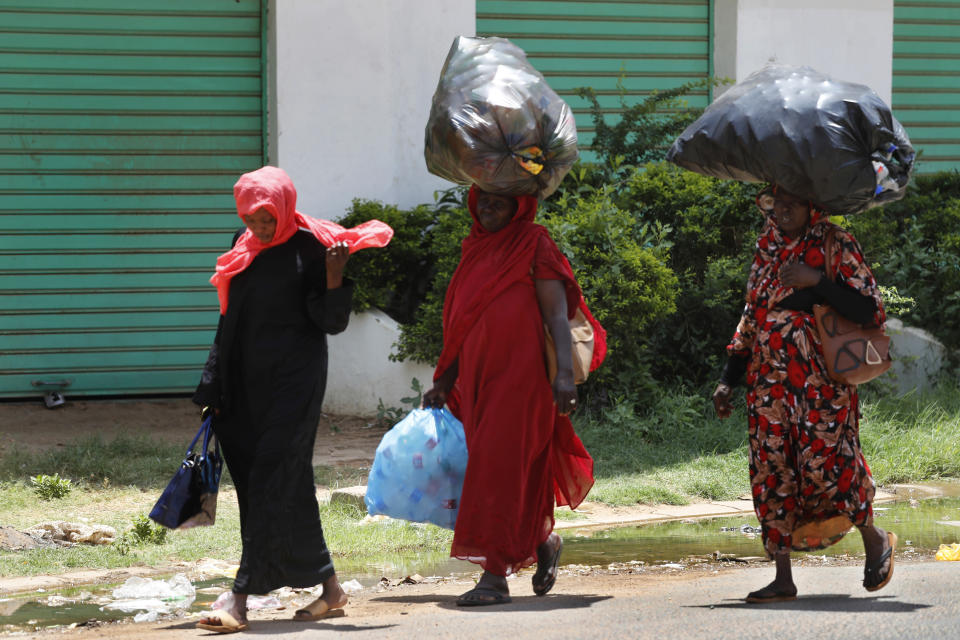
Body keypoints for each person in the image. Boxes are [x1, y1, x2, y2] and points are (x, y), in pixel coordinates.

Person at [192, 166, 388, 632]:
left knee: (269, 478)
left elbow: (331, 322)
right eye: (252, 218)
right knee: (286, 485)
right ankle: (331, 588)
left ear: (284, 206)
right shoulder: (244, 247)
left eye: (266, 218)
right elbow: (229, 321)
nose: (260, 228)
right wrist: (213, 386)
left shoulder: (313, 248)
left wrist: (335, 275)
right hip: (243, 387)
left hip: (294, 385)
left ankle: (239, 596)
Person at [712, 187, 897, 603]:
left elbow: (869, 310)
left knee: (828, 461)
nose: (782, 210)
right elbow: (751, 313)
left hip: (819, 386)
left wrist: (816, 281)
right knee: (772, 470)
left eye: (792, 201)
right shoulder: (767, 248)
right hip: (768, 386)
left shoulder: (835, 243)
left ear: (814, 203)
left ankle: (875, 538)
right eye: (776, 202)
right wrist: (729, 377)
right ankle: (782, 577)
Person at [422, 185, 604, 605]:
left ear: (518, 205)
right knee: (509, 468)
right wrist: (445, 382)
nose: (488, 207)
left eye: (498, 201)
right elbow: (461, 320)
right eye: (482, 200)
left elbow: (557, 314)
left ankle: (494, 576)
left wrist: (563, 376)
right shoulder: (475, 248)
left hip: (523, 379)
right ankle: (543, 542)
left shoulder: (534, 243)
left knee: (497, 468)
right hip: (481, 378)